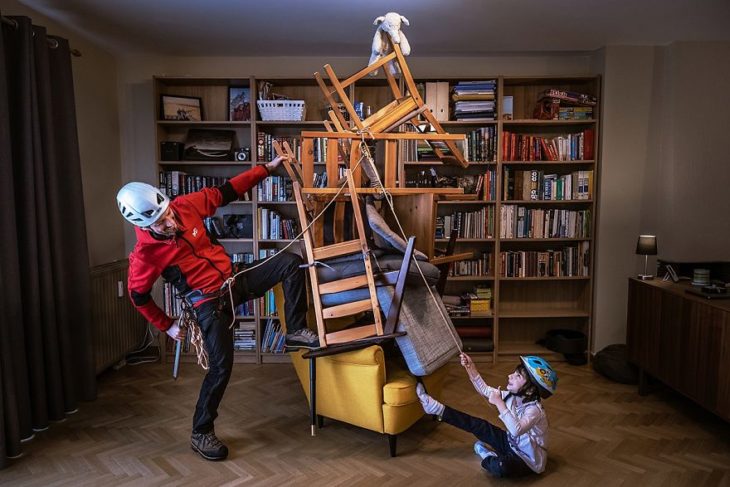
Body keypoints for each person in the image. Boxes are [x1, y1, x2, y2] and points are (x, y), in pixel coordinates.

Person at [116, 156, 318, 461]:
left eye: (168, 213)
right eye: (161, 223)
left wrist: (267, 168)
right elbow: (138, 295)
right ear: (143, 225)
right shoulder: (145, 255)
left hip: (233, 280)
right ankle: (201, 432)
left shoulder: (185, 205)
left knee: (289, 263)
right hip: (209, 304)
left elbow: (228, 191)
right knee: (221, 368)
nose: (172, 223)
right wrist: (167, 325)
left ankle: (295, 331)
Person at [415, 354, 558, 478]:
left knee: (502, 467)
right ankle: (436, 408)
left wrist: (499, 403)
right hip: (510, 443)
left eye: (517, 376)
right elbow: (484, 390)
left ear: (530, 390)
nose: (510, 376)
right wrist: (471, 368)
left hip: (527, 461)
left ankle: (487, 455)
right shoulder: (512, 396)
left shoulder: (535, 411)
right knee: (479, 425)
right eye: (514, 373)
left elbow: (517, 429)